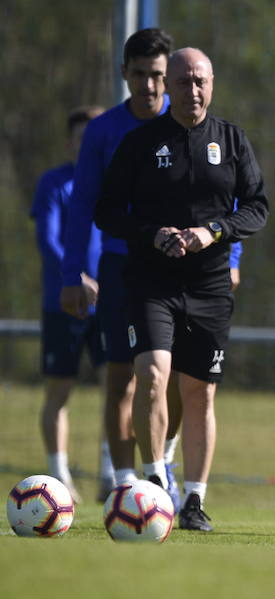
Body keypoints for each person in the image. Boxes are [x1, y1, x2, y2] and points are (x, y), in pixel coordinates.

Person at [59, 29, 243, 507]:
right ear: (125, 75)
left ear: (172, 77)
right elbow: (85, 206)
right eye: (139, 75)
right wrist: (72, 272)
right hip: (122, 269)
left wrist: (233, 259)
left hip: (191, 274)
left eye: (158, 75)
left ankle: (162, 458)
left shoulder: (191, 123)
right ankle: (125, 484)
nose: (149, 86)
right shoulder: (105, 132)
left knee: (182, 380)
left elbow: (229, 194)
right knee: (123, 377)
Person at [94, 47, 269, 532]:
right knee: (152, 374)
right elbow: (107, 211)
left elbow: (256, 208)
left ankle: (194, 500)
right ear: (166, 85)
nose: (193, 90)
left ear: (212, 84)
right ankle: (153, 488)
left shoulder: (232, 140)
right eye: (184, 81)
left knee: (199, 394)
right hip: (152, 281)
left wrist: (213, 232)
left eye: (201, 81)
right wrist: (152, 233)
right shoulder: (140, 142)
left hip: (210, 284)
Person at [31, 105, 108, 504]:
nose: (88, 145)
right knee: (59, 390)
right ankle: (58, 475)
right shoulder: (54, 184)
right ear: (70, 143)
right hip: (65, 305)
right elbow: (49, 241)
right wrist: (76, 278)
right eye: (81, 138)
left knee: (119, 388)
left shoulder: (115, 183)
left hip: (111, 307)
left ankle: (114, 475)